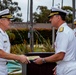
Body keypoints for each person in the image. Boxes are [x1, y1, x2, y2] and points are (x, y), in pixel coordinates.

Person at [34, 7, 76, 75]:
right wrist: (60, 65)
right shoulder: (66, 30)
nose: (50, 20)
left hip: (67, 69)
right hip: (67, 67)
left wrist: (43, 60)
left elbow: (60, 56)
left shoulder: (63, 32)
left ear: (58, 17)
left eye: (51, 17)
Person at [0, 9, 30, 75]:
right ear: (1, 21)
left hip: (3, 67)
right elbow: (1, 53)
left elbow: (6, 52)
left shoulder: (4, 34)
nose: (10, 22)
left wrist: (18, 58)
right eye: (8, 20)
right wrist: (19, 57)